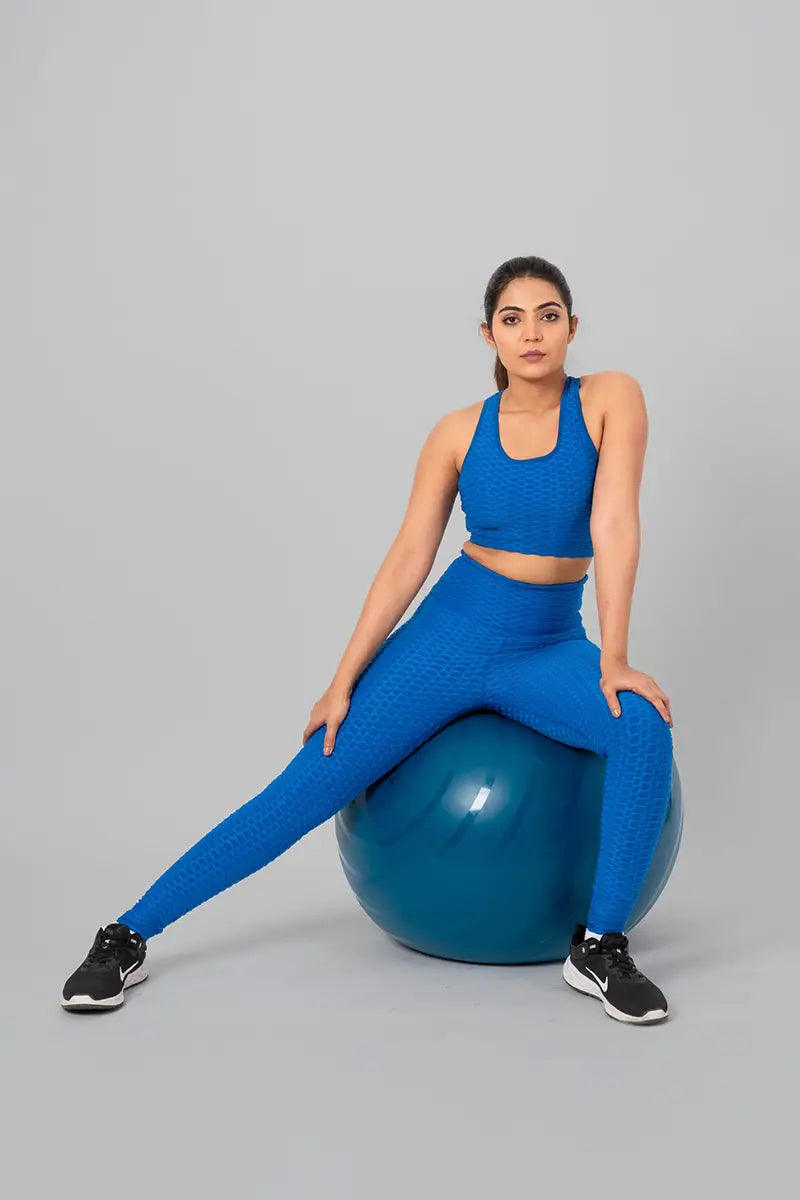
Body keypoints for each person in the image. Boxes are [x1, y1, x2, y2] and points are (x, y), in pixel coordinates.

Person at [61, 255, 676, 1024]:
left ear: (572, 328)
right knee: (303, 789)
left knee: (644, 727)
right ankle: (126, 935)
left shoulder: (610, 399)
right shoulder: (457, 432)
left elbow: (614, 525)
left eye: (548, 315)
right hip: (450, 637)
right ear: (488, 334)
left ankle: (601, 947)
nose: (532, 332)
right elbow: (409, 558)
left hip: (547, 645)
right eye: (513, 318)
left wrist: (614, 656)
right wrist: (342, 678)